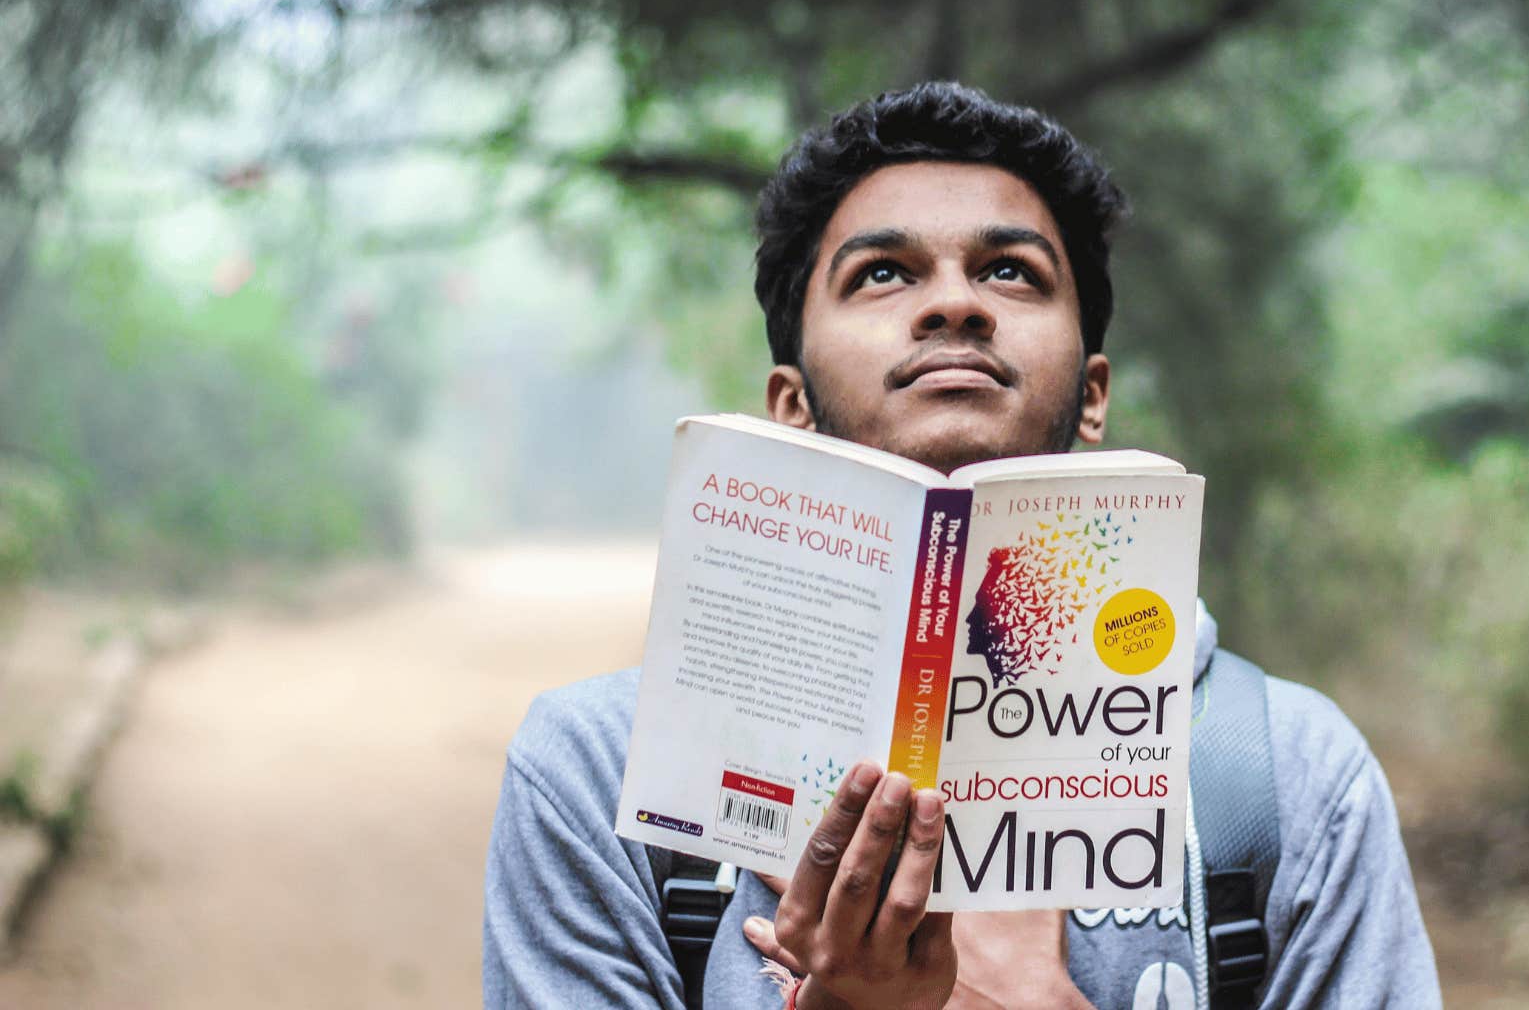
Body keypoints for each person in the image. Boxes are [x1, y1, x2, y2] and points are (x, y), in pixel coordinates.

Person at [483, 81, 1441, 1009]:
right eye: (883, 273)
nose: (955, 304)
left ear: (1093, 393)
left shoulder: (1291, 777)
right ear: (791, 408)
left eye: (1011, 271)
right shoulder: (602, 779)